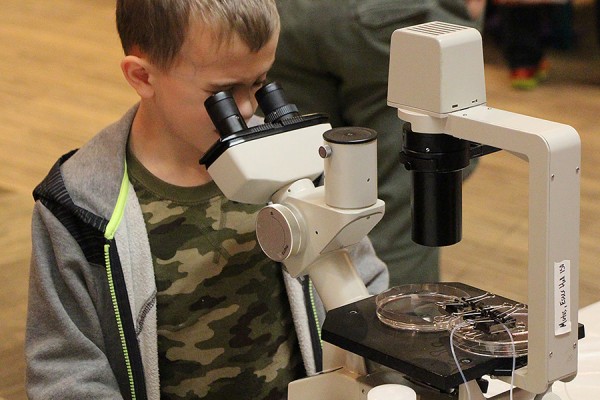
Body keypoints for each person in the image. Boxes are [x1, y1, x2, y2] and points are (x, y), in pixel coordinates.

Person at [25, 1, 388, 399]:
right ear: (142, 76)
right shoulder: (80, 207)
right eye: (223, 93)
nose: (248, 108)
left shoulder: (299, 162)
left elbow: (363, 282)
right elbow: (65, 369)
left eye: (259, 83)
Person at [269, 0, 486, 287]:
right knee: (406, 199)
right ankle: (400, 324)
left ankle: (327, 325)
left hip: (287, 14)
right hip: (391, 13)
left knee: (307, 188)